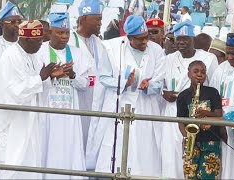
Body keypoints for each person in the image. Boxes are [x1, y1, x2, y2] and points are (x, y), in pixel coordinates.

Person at [93, 15, 165, 177]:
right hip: (120, 105)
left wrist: (149, 86)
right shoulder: (113, 49)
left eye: (146, 37)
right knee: (118, 150)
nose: (145, 42)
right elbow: (103, 77)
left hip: (146, 107)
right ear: (129, 38)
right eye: (140, 39)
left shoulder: (157, 50)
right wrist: (124, 83)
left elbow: (160, 81)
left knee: (144, 151)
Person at [0, 20, 57, 179]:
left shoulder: (32, 56)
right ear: (26, 39)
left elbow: (39, 88)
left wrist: (50, 77)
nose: (41, 44)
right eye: (38, 41)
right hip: (13, 124)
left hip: (30, 123)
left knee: (30, 166)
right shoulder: (10, 56)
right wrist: (40, 78)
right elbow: (14, 91)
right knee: (12, 168)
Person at [160, 20, 218, 179]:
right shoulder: (168, 59)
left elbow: (214, 87)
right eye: (178, 39)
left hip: (195, 113)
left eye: (186, 38)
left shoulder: (208, 58)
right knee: (171, 154)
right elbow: (159, 84)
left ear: (194, 39)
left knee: (193, 154)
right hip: (172, 111)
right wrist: (163, 93)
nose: (182, 42)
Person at [37, 12, 92, 179]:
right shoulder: (40, 52)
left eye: (66, 32)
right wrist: (52, 75)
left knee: (71, 150)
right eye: (59, 32)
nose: (64, 36)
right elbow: (35, 84)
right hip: (48, 114)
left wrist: (73, 75)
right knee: (48, 149)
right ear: (50, 32)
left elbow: (86, 85)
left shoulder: (78, 53)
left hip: (70, 115)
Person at [68, 0, 108, 167]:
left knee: (92, 139)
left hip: (96, 98)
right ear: (84, 19)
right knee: (77, 139)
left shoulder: (99, 43)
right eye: (97, 19)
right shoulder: (69, 40)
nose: (100, 23)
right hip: (77, 98)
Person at [210, 32, 234, 179]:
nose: (230, 57)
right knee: (228, 166)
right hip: (225, 127)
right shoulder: (221, 69)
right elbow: (214, 99)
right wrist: (220, 125)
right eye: (228, 53)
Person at [177, 60, 225, 179]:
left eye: (203, 72)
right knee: (190, 176)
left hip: (211, 141)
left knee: (208, 175)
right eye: (196, 71)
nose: (200, 74)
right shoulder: (183, 96)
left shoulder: (212, 92)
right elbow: (181, 121)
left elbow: (218, 113)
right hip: (191, 143)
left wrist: (206, 113)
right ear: (188, 74)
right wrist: (187, 138)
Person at [0, 1, 22, 82]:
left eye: (19, 22)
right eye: (12, 22)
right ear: (2, 24)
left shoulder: (25, 44)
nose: (17, 25)